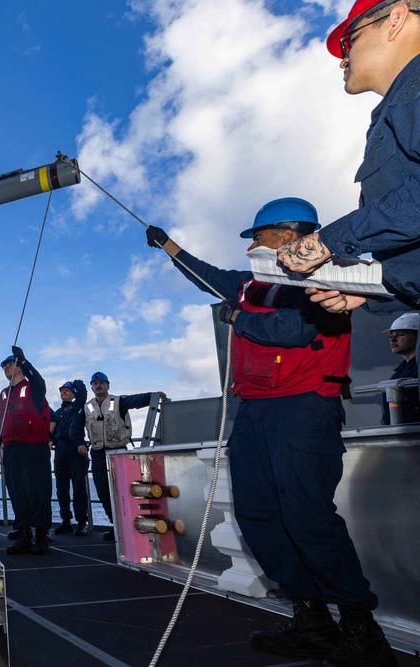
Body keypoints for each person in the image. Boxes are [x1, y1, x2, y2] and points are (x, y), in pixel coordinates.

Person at [147, 197, 396, 666]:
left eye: (257, 238)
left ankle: (362, 632)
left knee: (307, 518)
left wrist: (238, 318)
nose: (251, 248)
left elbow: (293, 330)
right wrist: (170, 248)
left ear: (287, 235)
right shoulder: (252, 284)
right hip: (256, 415)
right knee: (260, 516)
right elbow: (210, 278)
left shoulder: (325, 279)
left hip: (303, 410)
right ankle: (312, 622)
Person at [276, 0, 420, 317]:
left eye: (349, 40)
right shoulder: (401, 105)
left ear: (396, 18)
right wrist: (375, 293)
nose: (343, 60)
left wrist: (327, 241)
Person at [85, 372, 165, 541]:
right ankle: (116, 526)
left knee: (125, 489)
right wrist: (79, 441)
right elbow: (76, 427)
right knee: (103, 491)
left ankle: (130, 526)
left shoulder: (119, 402)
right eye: (95, 383)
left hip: (118, 451)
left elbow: (136, 400)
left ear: (108, 386)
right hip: (98, 453)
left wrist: (153, 396)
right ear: (91, 387)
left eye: (101, 382)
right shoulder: (87, 408)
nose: (98, 385)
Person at [0, 346, 52, 555]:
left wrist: (24, 361)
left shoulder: (33, 388)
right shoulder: (3, 394)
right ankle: (24, 534)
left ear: (18, 367)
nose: (5, 368)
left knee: (38, 490)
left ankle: (41, 535)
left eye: (9, 364)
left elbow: (40, 382)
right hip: (12, 448)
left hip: (34, 447)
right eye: (4, 366)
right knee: (17, 492)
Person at [50, 379, 90, 536]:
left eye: (67, 390)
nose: (63, 392)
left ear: (74, 394)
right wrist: (50, 441)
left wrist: (77, 382)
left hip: (76, 450)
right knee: (61, 488)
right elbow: (50, 431)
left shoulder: (78, 407)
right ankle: (65, 521)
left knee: (79, 487)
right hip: (60, 451)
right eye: (62, 390)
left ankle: (82, 523)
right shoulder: (57, 413)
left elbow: (83, 394)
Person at [382, 312, 420, 424]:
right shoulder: (399, 372)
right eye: (391, 336)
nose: (392, 340)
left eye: (400, 334)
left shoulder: (415, 369)